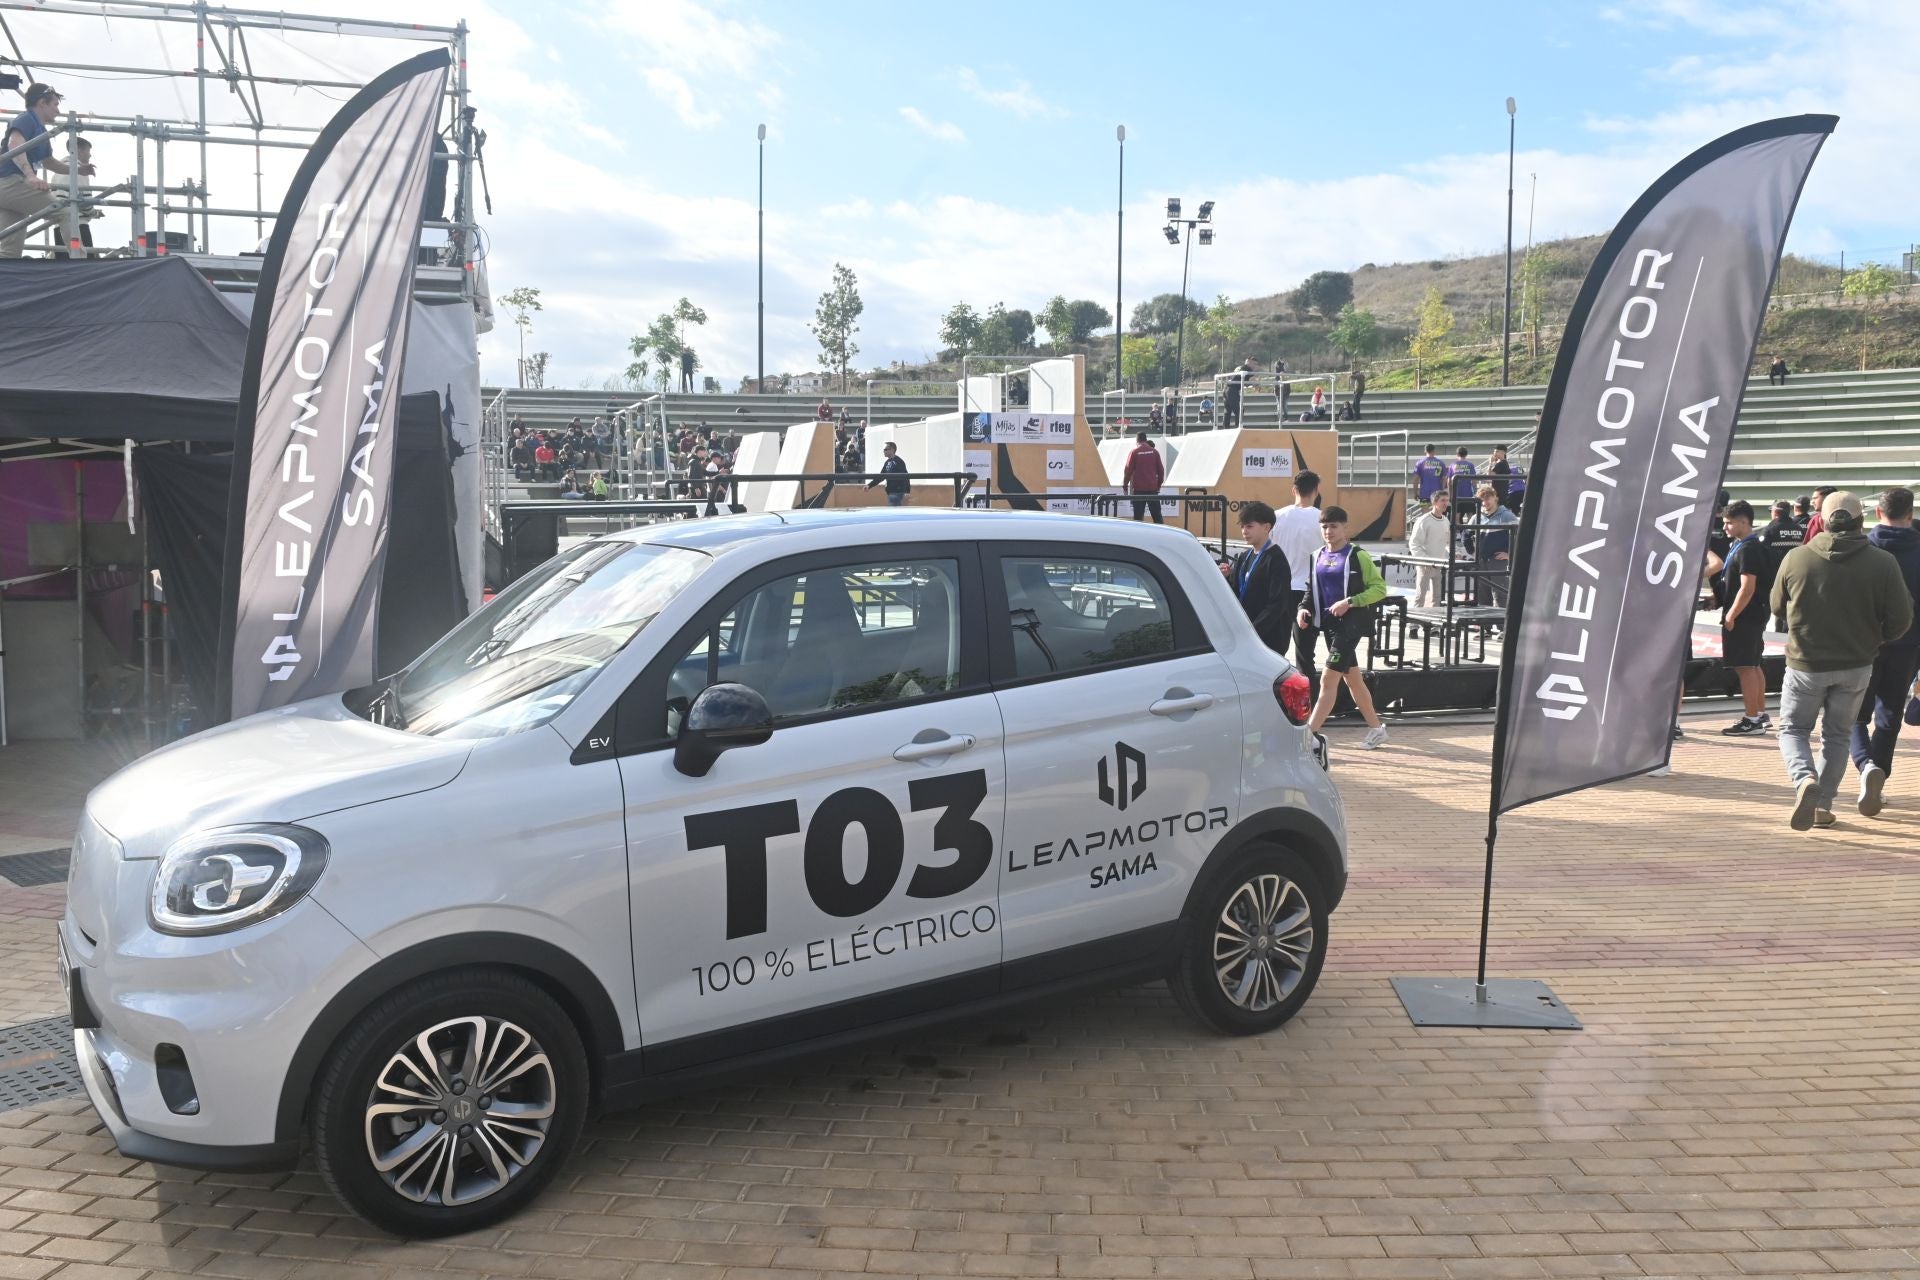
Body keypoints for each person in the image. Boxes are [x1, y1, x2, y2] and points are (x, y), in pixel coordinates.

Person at [1769, 491, 1914, 831]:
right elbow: (1901, 618)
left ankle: (1804, 779)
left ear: (1820, 519)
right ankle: (1822, 805)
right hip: (1857, 663)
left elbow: (1777, 606)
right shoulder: (1882, 562)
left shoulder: (1797, 558)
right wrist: (1880, 637)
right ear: (1862, 520)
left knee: (1793, 728)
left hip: (1806, 662)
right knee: (1837, 734)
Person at [1852, 486, 1920, 815]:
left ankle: (1866, 766)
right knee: (1890, 714)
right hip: (1909, 644)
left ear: (1879, 513)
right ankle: (1877, 776)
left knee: (1855, 714)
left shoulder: (1865, 549)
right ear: (1910, 512)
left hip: (1865, 644)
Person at [1300, 507, 1389, 749]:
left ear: (1345, 527)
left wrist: (1350, 602)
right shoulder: (1316, 555)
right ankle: (1376, 728)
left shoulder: (1358, 556)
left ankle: (1308, 734)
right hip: (1329, 626)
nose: (1328, 531)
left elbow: (1380, 589)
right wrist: (1303, 609)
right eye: (1325, 526)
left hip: (1351, 626)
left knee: (1328, 679)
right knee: (1353, 680)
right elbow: (1311, 589)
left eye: (1334, 526)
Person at [2, 84, 91, 258]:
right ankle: (79, 261)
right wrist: (31, 176)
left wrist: (78, 170)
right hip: (11, 182)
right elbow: (15, 145)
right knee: (66, 213)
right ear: (42, 103)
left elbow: (48, 162)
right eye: (55, 104)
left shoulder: (40, 129)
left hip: (8, 189)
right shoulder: (26, 119)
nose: (58, 111)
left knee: (9, 250)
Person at [1717, 501, 1775, 736]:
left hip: (1744, 616)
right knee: (1753, 664)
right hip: (1753, 614)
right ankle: (1759, 714)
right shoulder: (1747, 546)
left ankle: (1752, 719)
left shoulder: (1748, 549)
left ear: (1744, 522)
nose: (1725, 527)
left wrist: (1731, 614)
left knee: (1744, 667)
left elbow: (1747, 587)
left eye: (1729, 523)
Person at [1272, 471, 1327, 683]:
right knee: (1305, 653)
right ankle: (1308, 703)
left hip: (1281, 589)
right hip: (1310, 591)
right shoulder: (1323, 520)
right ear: (1316, 491)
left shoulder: (1276, 517)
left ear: (1293, 490)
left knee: (1275, 651)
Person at [1219, 501, 1293, 652]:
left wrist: (1254, 630)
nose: (1244, 531)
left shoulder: (1276, 559)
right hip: (1244, 634)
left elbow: (1277, 604)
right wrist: (1224, 578)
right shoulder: (1244, 556)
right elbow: (1234, 592)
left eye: (1249, 526)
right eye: (1242, 526)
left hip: (1269, 637)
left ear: (1266, 527)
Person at [1464, 485, 1519, 606]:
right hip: (1481, 562)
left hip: (1498, 562)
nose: (1485, 502)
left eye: (1488, 498)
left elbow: (1521, 537)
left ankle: (1501, 625)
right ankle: (1485, 625)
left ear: (1495, 498)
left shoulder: (1507, 516)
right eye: (1482, 499)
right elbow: (1466, 535)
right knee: (1482, 596)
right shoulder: (1476, 517)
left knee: (1501, 596)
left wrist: (1510, 554)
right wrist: (1473, 553)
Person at [1407, 491, 1452, 608]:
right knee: (1420, 596)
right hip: (1425, 565)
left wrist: (1454, 553)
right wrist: (1425, 560)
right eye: (1443, 500)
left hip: (1439, 564)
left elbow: (1448, 542)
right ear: (1434, 502)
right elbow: (1414, 543)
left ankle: (1434, 624)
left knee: (1437, 597)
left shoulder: (1446, 520)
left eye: (1447, 500)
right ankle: (1413, 625)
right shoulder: (1423, 520)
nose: (1445, 503)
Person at [1122, 431, 1165, 523]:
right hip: (1153, 490)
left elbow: (1128, 471)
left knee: (1138, 518)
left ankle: (1138, 536)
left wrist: (1125, 486)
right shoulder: (1155, 452)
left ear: (1137, 441)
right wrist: (1158, 486)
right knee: (1157, 517)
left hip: (1139, 491)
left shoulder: (1134, 452)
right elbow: (1161, 472)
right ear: (1146, 440)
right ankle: (1162, 535)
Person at [869, 441, 910, 506]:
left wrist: (907, 492)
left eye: (886, 449)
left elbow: (906, 476)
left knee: (894, 513)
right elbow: (881, 477)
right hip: (890, 493)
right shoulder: (887, 462)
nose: (884, 451)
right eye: (883, 450)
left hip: (897, 493)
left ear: (892, 450)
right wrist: (869, 485)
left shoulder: (899, 461)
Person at [1222, 358, 1251, 429]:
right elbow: (1248, 382)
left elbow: (1241, 380)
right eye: (1255, 364)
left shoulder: (1239, 368)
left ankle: (1226, 428)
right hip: (1232, 390)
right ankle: (1238, 427)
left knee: (1228, 410)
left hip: (1226, 389)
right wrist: (1255, 383)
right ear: (1250, 363)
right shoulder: (1247, 368)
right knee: (1239, 410)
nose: (1255, 366)